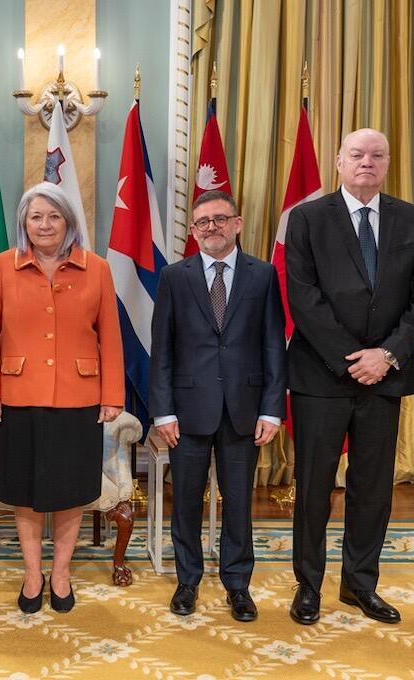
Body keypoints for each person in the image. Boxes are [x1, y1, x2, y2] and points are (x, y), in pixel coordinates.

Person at [284, 128, 414, 625]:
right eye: (357, 154)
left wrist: (387, 355)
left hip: (386, 377)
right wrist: (355, 358)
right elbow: (303, 299)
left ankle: (359, 585)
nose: (366, 162)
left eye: (376, 155)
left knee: (373, 489)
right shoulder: (307, 218)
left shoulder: (412, 219)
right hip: (321, 377)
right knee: (313, 488)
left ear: (388, 163)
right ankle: (307, 586)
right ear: (338, 162)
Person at [0, 182, 124, 614]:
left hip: (79, 399)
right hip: (18, 397)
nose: (44, 224)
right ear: (24, 221)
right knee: (23, 491)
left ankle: (60, 573)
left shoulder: (96, 268)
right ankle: (32, 573)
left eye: (53, 216)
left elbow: (111, 338)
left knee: (70, 491)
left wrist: (112, 395)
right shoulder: (3, 266)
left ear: (69, 221)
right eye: (36, 216)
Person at [149, 190, 286, 622]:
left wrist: (271, 409)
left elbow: (272, 346)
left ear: (237, 223)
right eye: (202, 222)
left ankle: (237, 584)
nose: (211, 227)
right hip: (187, 412)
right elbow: (162, 348)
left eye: (219, 219)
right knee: (186, 500)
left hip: (245, 410)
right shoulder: (175, 276)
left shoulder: (262, 275)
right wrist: (163, 411)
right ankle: (187, 581)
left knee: (239, 501)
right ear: (192, 231)